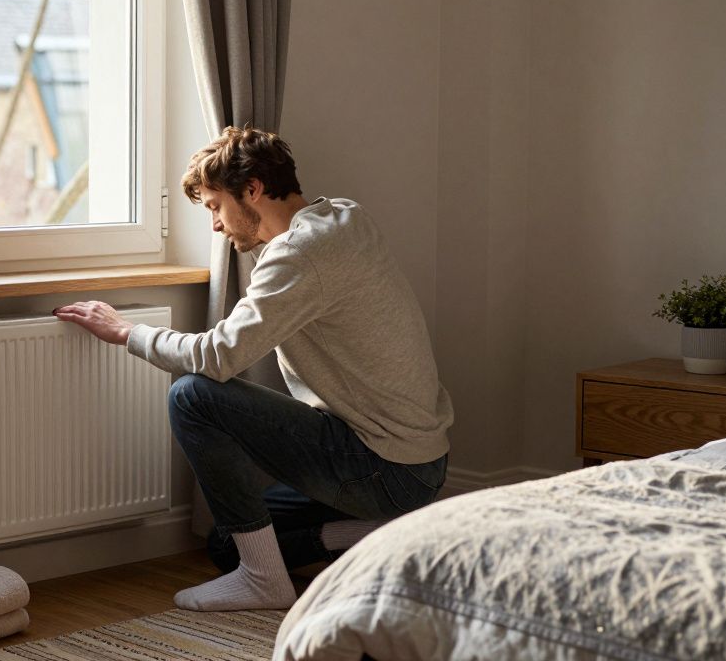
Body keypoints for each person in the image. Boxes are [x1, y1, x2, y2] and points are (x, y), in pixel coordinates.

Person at [53, 125, 453, 612]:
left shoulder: (299, 254)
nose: (216, 226)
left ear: (253, 189)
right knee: (229, 545)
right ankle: (376, 533)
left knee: (193, 395)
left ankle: (268, 580)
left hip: (381, 468)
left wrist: (125, 331)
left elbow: (218, 358)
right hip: (417, 466)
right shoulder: (345, 217)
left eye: (215, 207)